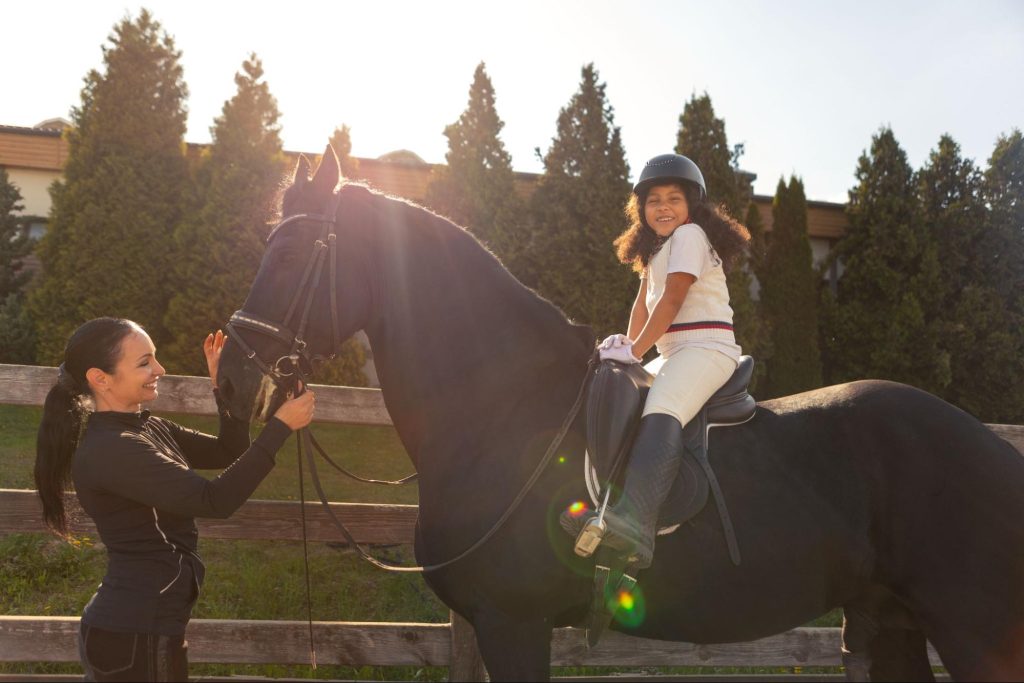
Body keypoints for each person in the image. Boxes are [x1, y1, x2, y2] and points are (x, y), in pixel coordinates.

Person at [34, 317, 315, 682]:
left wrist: (225, 392)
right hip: (134, 635)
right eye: (144, 363)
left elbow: (227, 451)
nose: (159, 369)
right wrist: (280, 427)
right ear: (100, 378)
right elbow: (215, 500)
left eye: (154, 358)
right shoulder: (113, 450)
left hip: (146, 628)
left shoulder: (146, 427)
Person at [565, 153, 750, 568]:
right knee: (618, 395)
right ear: (641, 209)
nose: (663, 207)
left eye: (673, 199)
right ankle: (605, 503)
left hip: (707, 348)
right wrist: (627, 351)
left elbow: (672, 300)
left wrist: (634, 351)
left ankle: (635, 523)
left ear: (692, 206)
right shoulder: (655, 250)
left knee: (662, 407)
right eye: (653, 201)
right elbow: (642, 307)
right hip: (673, 353)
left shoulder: (690, 237)